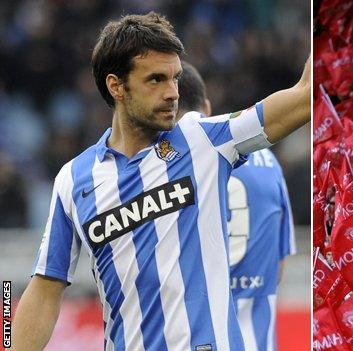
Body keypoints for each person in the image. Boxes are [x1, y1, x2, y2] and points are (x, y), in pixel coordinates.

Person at [12, 12, 309, 351]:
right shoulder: (74, 179)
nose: (172, 93)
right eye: (155, 80)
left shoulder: (204, 141)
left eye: (175, 78)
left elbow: (303, 97)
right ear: (116, 86)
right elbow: (45, 287)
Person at [176, 61, 296, 351]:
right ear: (205, 105)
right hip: (256, 339)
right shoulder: (268, 162)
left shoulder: (161, 167)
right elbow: (278, 267)